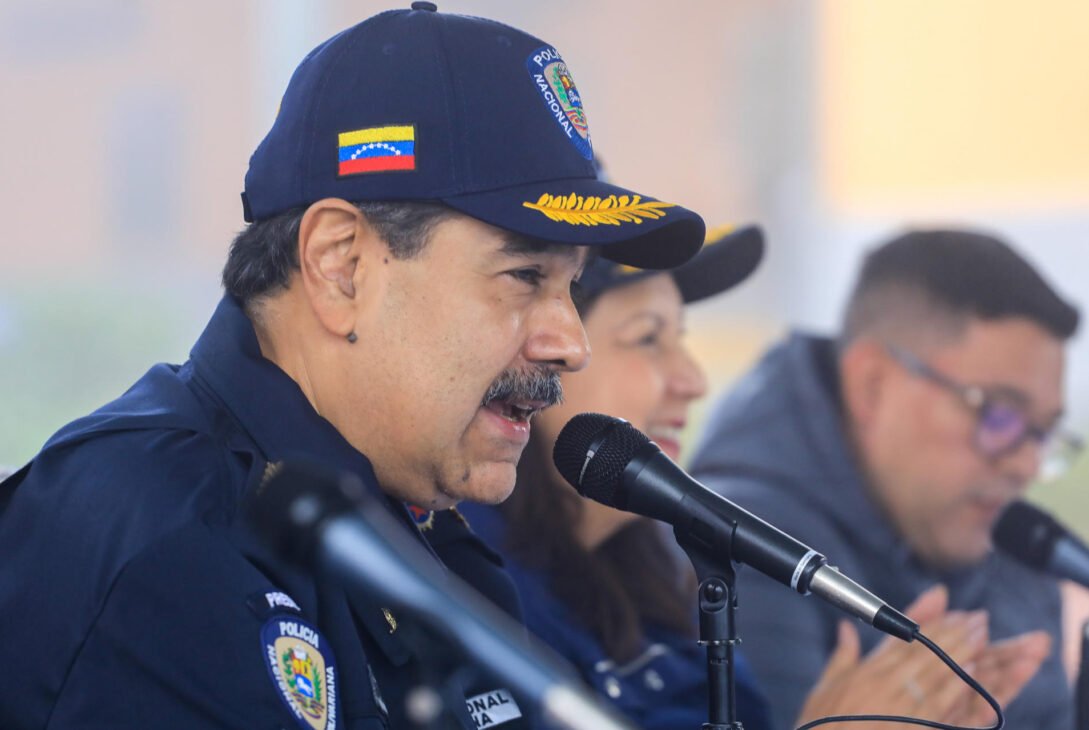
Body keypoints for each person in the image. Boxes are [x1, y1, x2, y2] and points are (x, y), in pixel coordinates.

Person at [0, 5, 710, 729]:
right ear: (340, 266)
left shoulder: (404, 518)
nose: (571, 344)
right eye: (525, 276)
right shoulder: (167, 543)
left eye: (573, 288)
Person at [460, 226, 1047, 729]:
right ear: (550, 353)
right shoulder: (466, 583)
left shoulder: (669, 572)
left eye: (682, 338)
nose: (693, 380)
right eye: (648, 338)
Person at [689, 229, 1079, 729]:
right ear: (872, 384)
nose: (1025, 465)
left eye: (1043, 432)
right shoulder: (743, 547)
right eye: (998, 414)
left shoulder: (1004, 537)